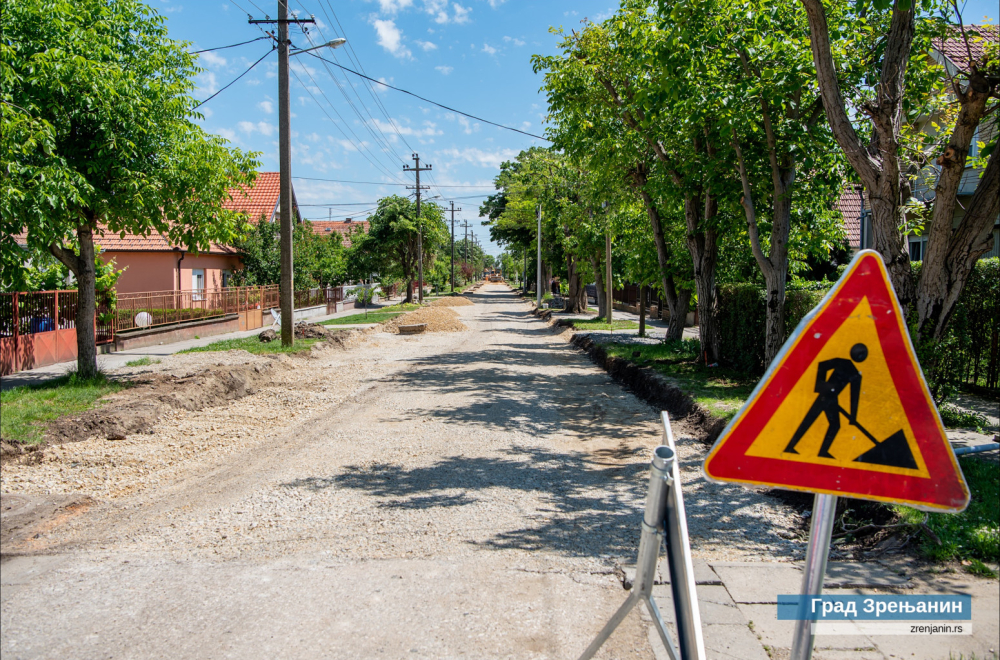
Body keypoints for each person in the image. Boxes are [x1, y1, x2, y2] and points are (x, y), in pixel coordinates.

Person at [784, 343, 868, 459]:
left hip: (832, 399)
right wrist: (821, 386)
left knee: (831, 424)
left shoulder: (855, 375)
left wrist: (853, 417)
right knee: (810, 420)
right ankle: (791, 447)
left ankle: (819, 452)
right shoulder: (844, 363)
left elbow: (854, 396)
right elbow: (822, 365)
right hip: (824, 396)